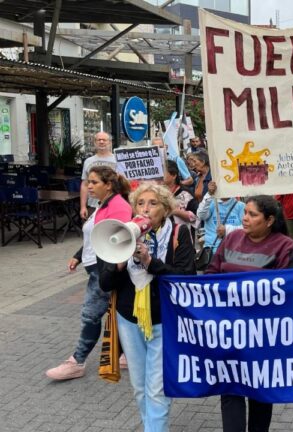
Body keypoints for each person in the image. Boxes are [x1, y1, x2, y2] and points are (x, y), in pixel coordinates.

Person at [100, 183, 196, 431]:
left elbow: (185, 277)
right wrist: (120, 260)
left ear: (165, 209)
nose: (146, 208)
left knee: (157, 389)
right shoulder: (124, 233)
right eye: (140, 203)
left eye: (153, 203)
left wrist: (150, 261)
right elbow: (105, 283)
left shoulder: (179, 234)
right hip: (129, 319)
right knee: (140, 388)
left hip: (164, 320)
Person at [206, 195, 293, 432]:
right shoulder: (232, 238)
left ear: (269, 220)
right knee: (230, 390)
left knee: (259, 394)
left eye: (252, 214)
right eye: (245, 212)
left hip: (262, 336)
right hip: (229, 331)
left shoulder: (285, 247)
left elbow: (287, 293)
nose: (244, 218)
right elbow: (211, 274)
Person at [46, 166, 132, 380]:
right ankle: (126, 353)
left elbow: (119, 242)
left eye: (94, 182)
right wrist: (78, 254)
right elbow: (95, 234)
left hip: (103, 270)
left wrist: (108, 274)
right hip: (96, 267)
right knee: (117, 311)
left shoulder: (118, 206)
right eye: (88, 182)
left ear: (108, 185)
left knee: (90, 315)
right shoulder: (104, 203)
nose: (89, 186)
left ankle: (77, 361)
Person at [197, 181, 245, 254]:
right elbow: (201, 215)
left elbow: (248, 229)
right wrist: (209, 194)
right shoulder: (210, 203)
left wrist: (227, 229)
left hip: (234, 251)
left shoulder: (240, 206)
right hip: (212, 251)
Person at [80, 131, 117, 219]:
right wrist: (83, 206)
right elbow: (85, 185)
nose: (101, 142)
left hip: (113, 205)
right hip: (93, 206)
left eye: (104, 140)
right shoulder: (88, 161)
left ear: (110, 142)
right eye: (98, 140)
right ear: (95, 142)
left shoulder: (118, 160)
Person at [163, 160, 198, 229]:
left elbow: (196, 218)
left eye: (163, 173)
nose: (160, 175)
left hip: (182, 235)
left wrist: (176, 212)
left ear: (174, 175)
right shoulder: (157, 193)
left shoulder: (185, 194)